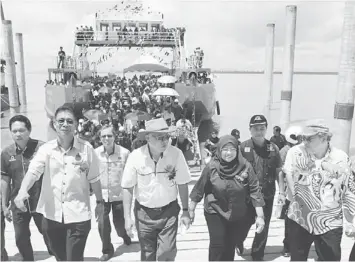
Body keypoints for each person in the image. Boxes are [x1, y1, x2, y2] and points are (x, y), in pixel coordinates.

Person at [14, 106, 105, 261]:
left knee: (73, 259)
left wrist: (100, 202)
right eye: (61, 121)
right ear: (54, 124)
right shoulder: (46, 150)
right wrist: (23, 191)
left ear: (76, 125)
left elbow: (94, 179)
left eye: (70, 121)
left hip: (78, 214)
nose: (65, 124)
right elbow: (33, 172)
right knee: (60, 257)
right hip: (51, 216)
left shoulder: (87, 149)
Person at [283, 120, 355, 261]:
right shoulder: (295, 153)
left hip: (330, 222)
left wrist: (351, 221)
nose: (304, 142)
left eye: (309, 138)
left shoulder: (341, 158)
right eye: (303, 138)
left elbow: (348, 190)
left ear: (324, 137)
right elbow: (289, 173)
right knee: (297, 258)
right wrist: (293, 198)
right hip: (301, 219)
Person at [121, 118, 191, 261]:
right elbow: (127, 187)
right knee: (147, 254)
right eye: (159, 138)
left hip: (169, 212)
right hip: (144, 213)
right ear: (147, 138)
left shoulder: (176, 154)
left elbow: (183, 183)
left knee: (167, 253)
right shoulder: (135, 156)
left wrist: (185, 212)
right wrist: (127, 218)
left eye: (166, 137)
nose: (164, 141)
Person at [189, 135, 265, 261]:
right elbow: (199, 188)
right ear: (219, 150)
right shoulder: (211, 167)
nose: (229, 153)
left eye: (232, 149)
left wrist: (260, 216)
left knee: (230, 244)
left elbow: (255, 190)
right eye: (225, 149)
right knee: (217, 243)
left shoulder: (246, 166)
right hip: (215, 210)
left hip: (237, 211)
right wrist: (190, 210)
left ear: (237, 150)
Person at [1, 115, 52, 261]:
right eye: (14, 131)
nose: (18, 134)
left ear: (29, 130)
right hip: (18, 203)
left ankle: (56, 254)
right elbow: (5, 180)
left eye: (21, 130)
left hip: (41, 202)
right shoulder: (6, 153)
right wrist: (5, 206)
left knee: (49, 235)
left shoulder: (42, 148)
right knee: (20, 238)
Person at [236, 115, 282, 261]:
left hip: (267, 193)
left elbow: (278, 171)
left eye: (262, 128)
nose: (259, 131)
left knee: (264, 225)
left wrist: (282, 191)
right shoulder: (242, 147)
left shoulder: (273, 148)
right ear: (250, 130)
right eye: (256, 128)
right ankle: (238, 240)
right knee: (245, 222)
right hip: (247, 194)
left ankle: (258, 254)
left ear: (266, 129)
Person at [95, 125, 132, 261]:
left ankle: (124, 235)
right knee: (102, 224)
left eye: (109, 136)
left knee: (119, 224)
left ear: (114, 137)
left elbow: (130, 174)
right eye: (103, 136)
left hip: (119, 195)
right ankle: (107, 250)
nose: (106, 138)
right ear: (100, 138)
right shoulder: (95, 153)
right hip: (102, 196)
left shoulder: (125, 153)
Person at [276, 125, 303, 258]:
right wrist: (281, 191)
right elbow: (281, 172)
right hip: (290, 193)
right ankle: (287, 246)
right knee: (290, 222)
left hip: (304, 192)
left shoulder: (305, 150)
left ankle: (297, 245)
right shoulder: (284, 151)